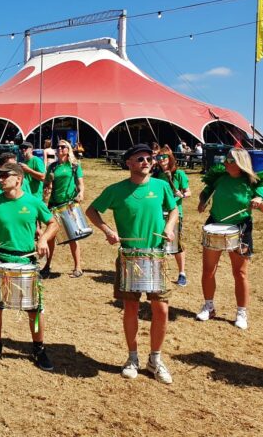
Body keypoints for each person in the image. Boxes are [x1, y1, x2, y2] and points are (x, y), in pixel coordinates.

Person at [86, 143, 178, 384]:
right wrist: (107, 230)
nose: (146, 162)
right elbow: (92, 210)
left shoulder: (161, 186)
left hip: (156, 255)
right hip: (130, 255)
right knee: (131, 309)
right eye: (140, 159)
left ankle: (155, 359)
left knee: (161, 308)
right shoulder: (116, 190)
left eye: (149, 158)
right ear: (128, 163)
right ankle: (132, 358)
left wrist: (169, 227)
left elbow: (174, 210)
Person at [0, 162, 58, 369]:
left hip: (26, 261)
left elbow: (53, 223)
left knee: (34, 309)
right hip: (0, 260)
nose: (0, 179)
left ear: (18, 179)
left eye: (4, 176)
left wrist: (44, 239)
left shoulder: (33, 202)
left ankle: (39, 348)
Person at [196, 148, 263, 330]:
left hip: (241, 229)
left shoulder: (253, 182)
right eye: (226, 159)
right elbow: (205, 193)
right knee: (208, 270)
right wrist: (202, 200)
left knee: (240, 273)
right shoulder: (219, 178)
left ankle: (241, 312)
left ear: (240, 162)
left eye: (230, 160)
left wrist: (260, 202)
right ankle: (209, 306)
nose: (225, 162)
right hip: (215, 225)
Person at [42, 139, 85, 278]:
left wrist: (81, 193)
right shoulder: (52, 167)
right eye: (58, 146)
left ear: (68, 149)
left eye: (63, 147)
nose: (60, 149)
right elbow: (46, 184)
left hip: (69, 204)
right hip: (54, 206)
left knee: (73, 237)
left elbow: (80, 184)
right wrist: (47, 190)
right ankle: (47, 266)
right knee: (50, 237)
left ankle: (78, 268)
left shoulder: (74, 165)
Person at [154, 146, 191, 286]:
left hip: (175, 213)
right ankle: (159, 271)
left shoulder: (179, 174)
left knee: (176, 244)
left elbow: (189, 192)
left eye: (164, 157)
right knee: (159, 243)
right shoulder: (157, 175)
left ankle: (182, 273)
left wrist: (182, 194)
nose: (161, 160)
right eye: (158, 158)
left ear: (170, 158)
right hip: (159, 212)